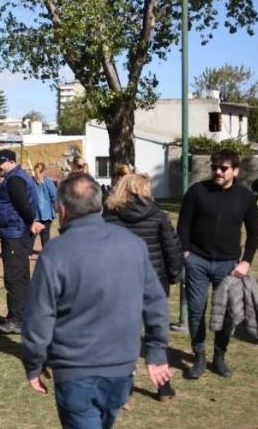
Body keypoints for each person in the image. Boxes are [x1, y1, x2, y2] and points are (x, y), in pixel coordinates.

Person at [22, 172, 171, 428]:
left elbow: (39, 316)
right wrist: (156, 350)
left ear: (62, 209)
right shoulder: (133, 244)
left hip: (78, 372)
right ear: (99, 205)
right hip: (120, 370)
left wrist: (34, 362)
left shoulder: (55, 253)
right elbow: (156, 302)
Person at [177, 149, 258, 379]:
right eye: (215, 167)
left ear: (235, 171)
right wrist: (186, 253)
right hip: (197, 262)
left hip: (229, 265)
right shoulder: (197, 191)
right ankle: (199, 355)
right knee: (196, 310)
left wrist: (246, 262)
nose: (218, 172)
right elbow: (183, 225)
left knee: (227, 314)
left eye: (223, 168)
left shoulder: (245, 198)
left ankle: (219, 355)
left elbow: (254, 233)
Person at [104, 172, 183, 401]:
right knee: (156, 334)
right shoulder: (158, 215)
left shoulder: (108, 216)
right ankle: (163, 386)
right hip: (153, 283)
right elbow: (172, 249)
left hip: (120, 285)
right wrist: (174, 275)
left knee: (124, 337)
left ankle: (125, 385)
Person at [0, 149, 43, 335]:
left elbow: (23, 204)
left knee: (14, 277)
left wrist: (31, 222)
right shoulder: (17, 177)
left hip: (15, 233)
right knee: (20, 276)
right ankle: (21, 316)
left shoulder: (15, 180)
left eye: (1, 163)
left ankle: (16, 319)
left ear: (11, 162)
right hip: (16, 232)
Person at [31, 162, 57, 256]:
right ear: (44, 171)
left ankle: (27, 254)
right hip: (47, 214)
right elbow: (54, 196)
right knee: (45, 236)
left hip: (34, 214)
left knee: (31, 235)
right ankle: (46, 255)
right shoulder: (48, 182)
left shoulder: (31, 182)